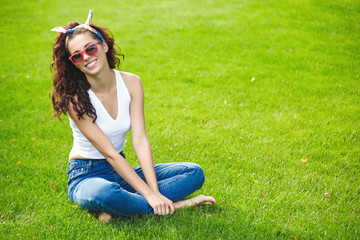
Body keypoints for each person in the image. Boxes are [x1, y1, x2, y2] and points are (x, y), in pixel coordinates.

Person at [50, 10, 215, 222]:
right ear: (74, 62)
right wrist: (148, 194)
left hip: (121, 170)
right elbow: (110, 154)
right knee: (107, 193)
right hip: (87, 175)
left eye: (90, 48)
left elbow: (140, 139)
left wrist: (154, 191)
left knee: (193, 173)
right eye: (78, 56)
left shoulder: (131, 83)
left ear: (104, 46)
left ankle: (128, 206)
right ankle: (174, 204)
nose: (87, 58)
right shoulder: (75, 99)